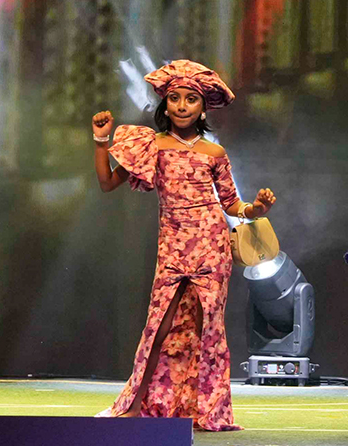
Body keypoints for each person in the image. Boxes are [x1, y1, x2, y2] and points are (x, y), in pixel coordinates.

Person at [92, 60, 274, 431]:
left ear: (203, 107)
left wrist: (256, 209)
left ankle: (204, 410)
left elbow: (232, 204)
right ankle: (135, 406)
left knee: (208, 329)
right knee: (159, 327)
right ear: (166, 104)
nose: (181, 105)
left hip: (211, 247)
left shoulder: (214, 153)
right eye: (175, 98)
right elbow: (107, 183)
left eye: (191, 99)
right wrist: (101, 141)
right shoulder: (151, 145)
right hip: (173, 248)